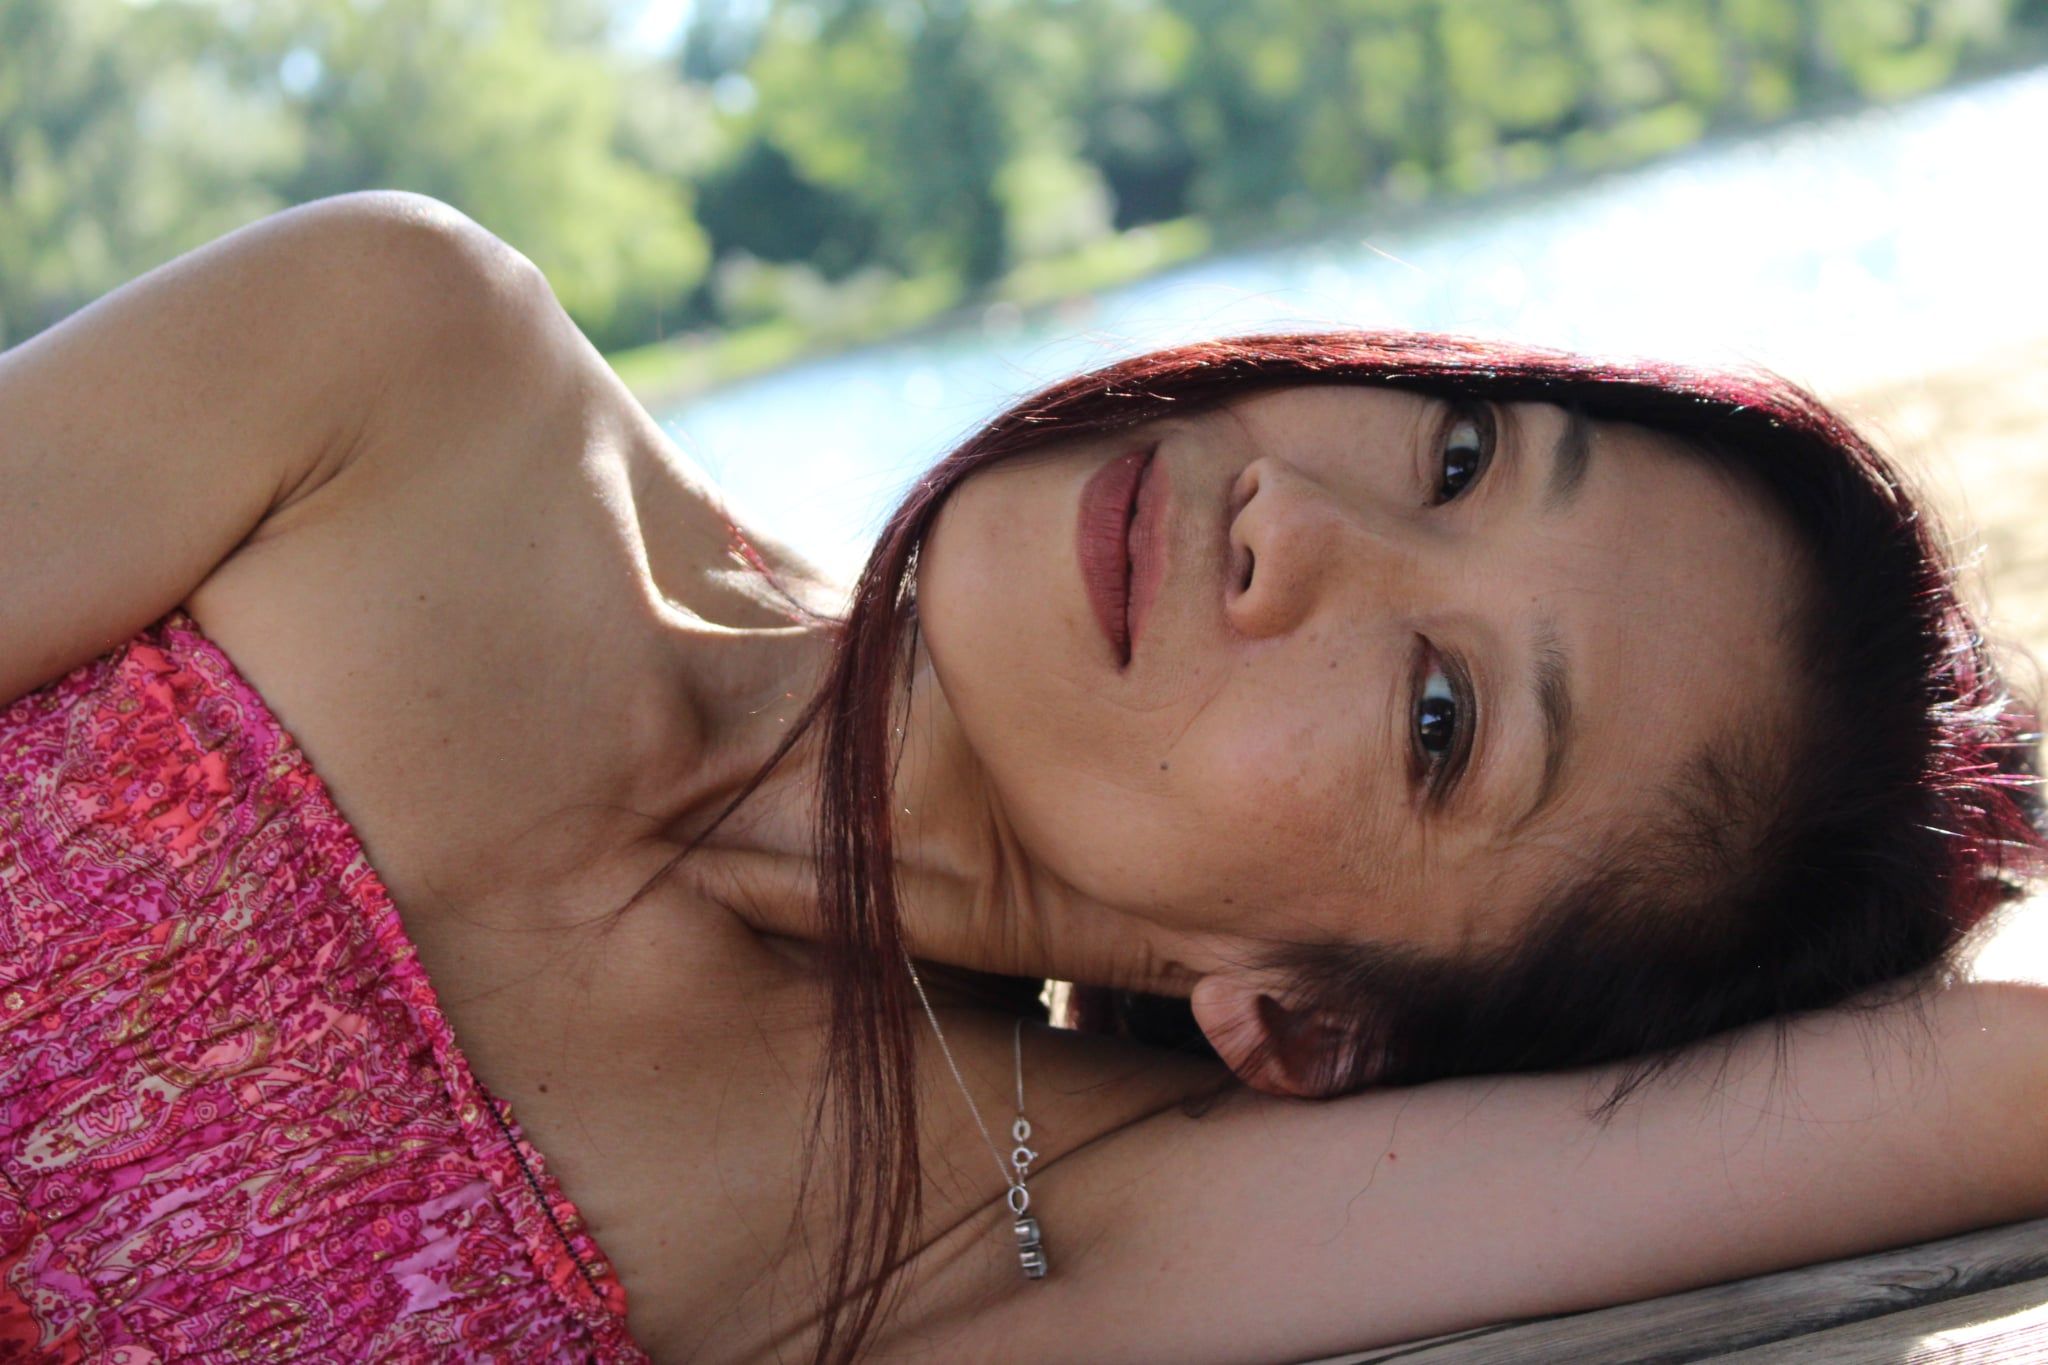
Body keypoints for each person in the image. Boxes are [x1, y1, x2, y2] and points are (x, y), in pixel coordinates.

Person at [0, 190, 2042, 1365]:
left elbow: (1979, 1086)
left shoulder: (1042, 1230)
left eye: (1440, 717)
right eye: (1456, 452)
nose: (1292, 523)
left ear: (1311, 1020)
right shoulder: (397, 374)